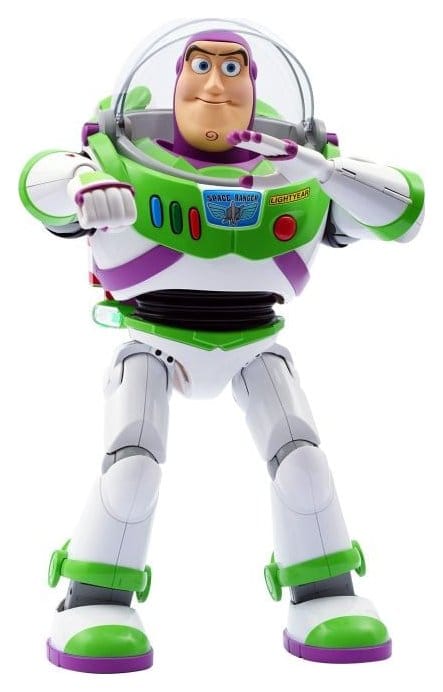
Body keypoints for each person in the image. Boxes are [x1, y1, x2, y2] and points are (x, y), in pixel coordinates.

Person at [19, 22, 424, 673]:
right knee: (133, 463)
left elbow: (404, 211)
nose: (215, 86)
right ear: (176, 79)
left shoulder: (294, 172)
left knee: (301, 460)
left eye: (233, 68)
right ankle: (94, 598)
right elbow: (39, 181)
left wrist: (328, 172)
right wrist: (81, 184)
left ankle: (323, 592)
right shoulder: (118, 163)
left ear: (254, 86)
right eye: (200, 67)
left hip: (256, 342)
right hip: (152, 341)